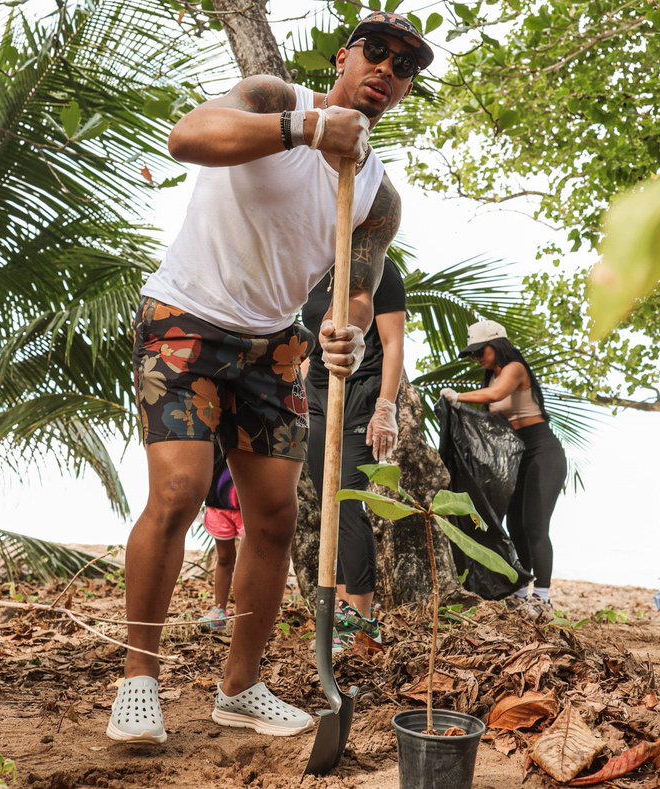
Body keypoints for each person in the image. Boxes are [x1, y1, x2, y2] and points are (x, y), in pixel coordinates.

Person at [107, 13, 432, 745]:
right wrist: (308, 132)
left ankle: (240, 685)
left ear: (406, 91)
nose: (387, 69)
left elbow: (359, 284)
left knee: (278, 516)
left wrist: (342, 325)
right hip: (185, 314)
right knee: (178, 491)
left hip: (274, 343)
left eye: (405, 66)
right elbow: (186, 138)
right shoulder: (270, 96)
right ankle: (138, 679)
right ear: (345, 58)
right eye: (375, 52)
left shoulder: (378, 195)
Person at [301, 257, 404, 651]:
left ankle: (360, 616)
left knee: (347, 498)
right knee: (328, 502)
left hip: (362, 394)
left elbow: (393, 342)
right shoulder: (313, 271)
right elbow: (312, 341)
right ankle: (341, 612)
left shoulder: (378, 268)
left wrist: (385, 408)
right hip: (317, 394)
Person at [441, 320, 566, 610]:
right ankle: (521, 589)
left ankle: (543, 596)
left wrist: (457, 397)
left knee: (535, 525)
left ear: (497, 344)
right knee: (515, 526)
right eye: (471, 354)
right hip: (516, 455)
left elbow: (496, 397)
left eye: (479, 352)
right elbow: (489, 420)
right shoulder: (490, 377)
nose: (476, 359)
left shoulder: (514, 369)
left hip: (542, 451)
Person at [199, 451, 244, 632]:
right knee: (224, 558)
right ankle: (219, 610)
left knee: (247, 560)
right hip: (217, 503)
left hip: (247, 504)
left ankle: (246, 611)